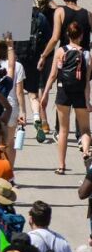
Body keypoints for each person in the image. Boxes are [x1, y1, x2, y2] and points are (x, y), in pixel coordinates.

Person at [41, 21, 91, 175]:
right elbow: (87, 81)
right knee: (85, 129)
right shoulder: (87, 54)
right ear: (81, 36)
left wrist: (44, 94)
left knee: (63, 130)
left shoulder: (60, 52)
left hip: (63, 93)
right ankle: (86, 153)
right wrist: (87, 100)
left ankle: (61, 165)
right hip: (79, 94)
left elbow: (53, 76)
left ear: (67, 35)